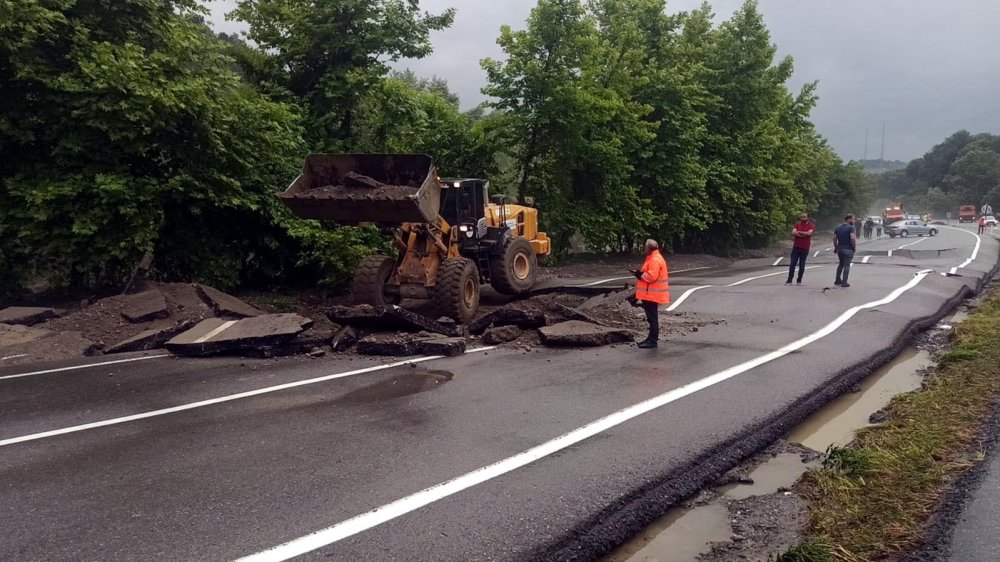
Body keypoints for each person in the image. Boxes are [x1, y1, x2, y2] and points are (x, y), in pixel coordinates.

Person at [630, 239, 670, 349]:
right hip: (650, 293)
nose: (644, 249)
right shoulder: (654, 258)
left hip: (651, 294)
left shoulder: (654, 260)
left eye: (645, 247)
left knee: (652, 318)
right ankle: (651, 339)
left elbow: (651, 277)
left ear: (648, 248)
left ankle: (652, 340)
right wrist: (640, 273)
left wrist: (639, 274)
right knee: (651, 318)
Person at [786, 212, 815, 286]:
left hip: (805, 247)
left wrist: (798, 232)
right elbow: (793, 232)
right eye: (801, 217)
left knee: (802, 265)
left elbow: (809, 233)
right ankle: (789, 280)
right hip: (796, 247)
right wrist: (803, 234)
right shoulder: (797, 224)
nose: (802, 218)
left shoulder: (811, 225)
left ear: (808, 217)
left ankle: (799, 280)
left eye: (804, 217)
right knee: (792, 264)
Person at [833, 214, 857, 288]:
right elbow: (852, 238)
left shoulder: (838, 227)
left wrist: (836, 247)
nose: (854, 221)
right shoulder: (851, 228)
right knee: (847, 265)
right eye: (853, 219)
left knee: (841, 264)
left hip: (840, 249)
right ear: (849, 219)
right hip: (848, 249)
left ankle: (837, 280)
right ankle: (844, 282)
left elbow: (834, 238)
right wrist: (854, 247)